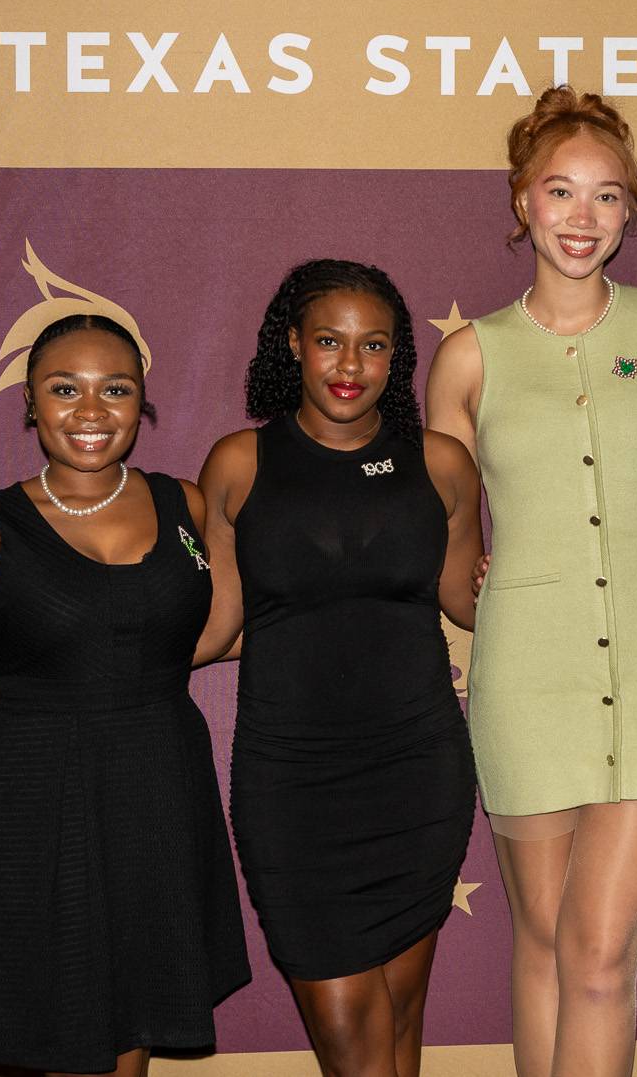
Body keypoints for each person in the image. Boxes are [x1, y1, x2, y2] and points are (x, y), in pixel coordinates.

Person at [424, 86, 637, 1077]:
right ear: (520, 202)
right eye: (559, 192)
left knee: (598, 956)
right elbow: (450, 546)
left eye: (605, 197)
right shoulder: (467, 358)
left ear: (629, 211)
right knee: (546, 947)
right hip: (522, 673)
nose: (581, 218)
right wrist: (481, 592)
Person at [191, 259, 482, 1077]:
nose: (351, 366)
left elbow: (469, 601)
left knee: (397, 1027)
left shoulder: (443, 464)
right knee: (354, 1038)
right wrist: (56, 659)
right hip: (293, 785)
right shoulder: (239, 465)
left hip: (417, 773)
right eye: (329, 341)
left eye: (374, 346)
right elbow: (216, 626)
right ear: (293, 344)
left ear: (398, 359)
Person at [0, 314, 249, 1077]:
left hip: (155, 784)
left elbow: (219, 632)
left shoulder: (188, 506)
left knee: (130, 1017)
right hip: (30, 798)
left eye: (115, 389)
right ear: (30, 404)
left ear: (142, 401)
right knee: (58, 1019)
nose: (89, 410)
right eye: (63, 389)